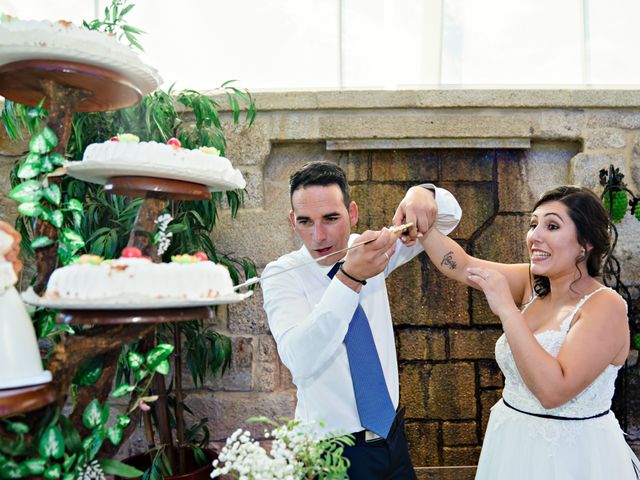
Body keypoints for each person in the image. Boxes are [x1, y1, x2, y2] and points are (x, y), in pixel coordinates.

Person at [418, 185, 640, 479]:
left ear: (585, 242)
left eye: (552, 226)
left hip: (571, 458)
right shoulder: (531, 283)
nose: (535, 236)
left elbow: (553, 392)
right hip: (511, 441)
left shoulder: (605, 306)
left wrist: (508, 311)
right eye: (534, 224)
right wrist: (422, 221)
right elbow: (462, 266)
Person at [261, 161, 461, 480]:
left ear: (352, 214)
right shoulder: (280, 276)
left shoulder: (369, 249)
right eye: (305, 221)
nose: (318, 235)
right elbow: (300, 359)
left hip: (392, 437)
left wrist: (422, 193)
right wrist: (349, 277)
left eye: (331, 218)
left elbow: (449, 218)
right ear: (292, 221)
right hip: (332, 451)